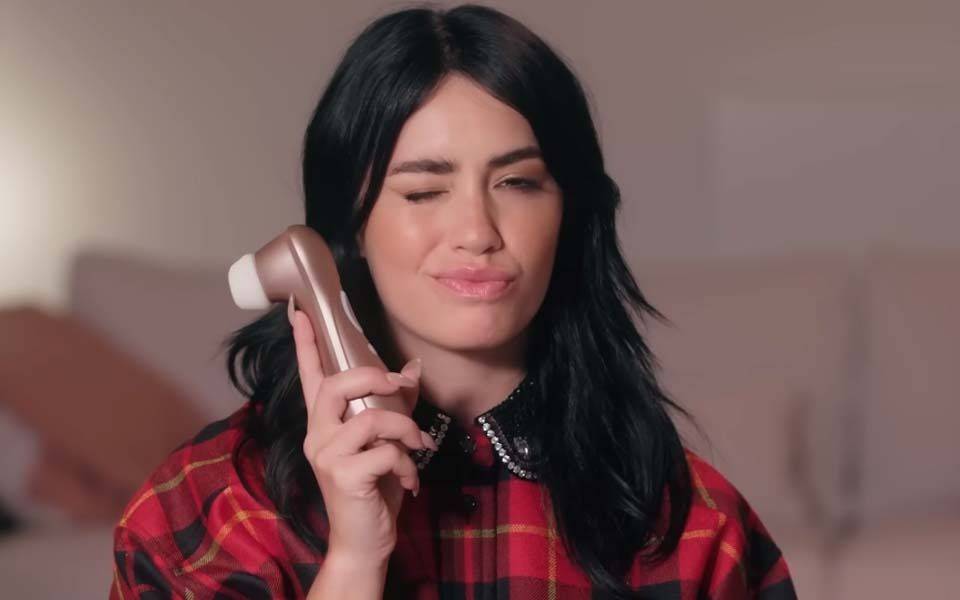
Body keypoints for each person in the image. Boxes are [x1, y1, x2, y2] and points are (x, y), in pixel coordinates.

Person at [111, 3, 796, 598]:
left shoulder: (696, 524)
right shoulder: (202, 511)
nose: (477, 232)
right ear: (348, 227)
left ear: (570, 212)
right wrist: (354, 561)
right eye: (423, 191)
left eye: (518, 183)